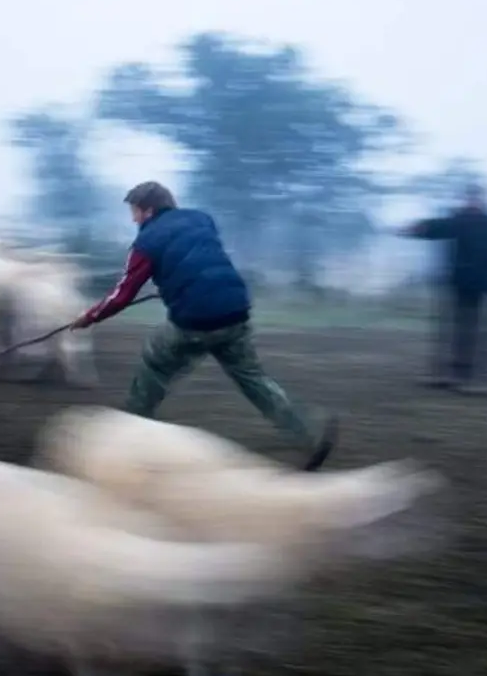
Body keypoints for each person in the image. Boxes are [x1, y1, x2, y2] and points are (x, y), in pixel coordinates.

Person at [70, 181, 339, 471]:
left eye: (134, 211)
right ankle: (309, 431)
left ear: (148, 210)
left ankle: (128, 437)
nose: (133, 219)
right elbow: (198, 257)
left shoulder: (145, 243)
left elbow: (123, 294)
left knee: (154, 366)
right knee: (253, 379)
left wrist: (90, 316)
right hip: (236, 311)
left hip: (195, 320)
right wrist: (173, 280)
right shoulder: (201, 218)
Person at [400, 182, 487, 395]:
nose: (472, 201)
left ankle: (473, 379)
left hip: (479, 285)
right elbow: (439, 227)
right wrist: (418, 228)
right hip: (457, 282)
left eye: (475, 198)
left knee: (473, 332)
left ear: (483, 200)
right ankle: (444, 375)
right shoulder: (460, 220)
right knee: (446, 330)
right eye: (470, 197)